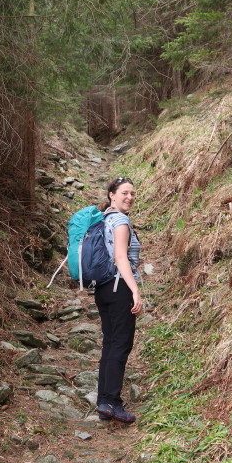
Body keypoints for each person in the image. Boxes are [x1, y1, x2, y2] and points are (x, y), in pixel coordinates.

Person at [95, 176, 142, 424]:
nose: (130, 197)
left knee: (110, 344)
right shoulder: (121, 221)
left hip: (103, 289)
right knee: (120, 345)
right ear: (112, 194)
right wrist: (134, 290)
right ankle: (112, 402)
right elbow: (121, 258)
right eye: (125, 193)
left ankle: (104, 401)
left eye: (132, 193)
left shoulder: (105, 218)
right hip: (119, 287)